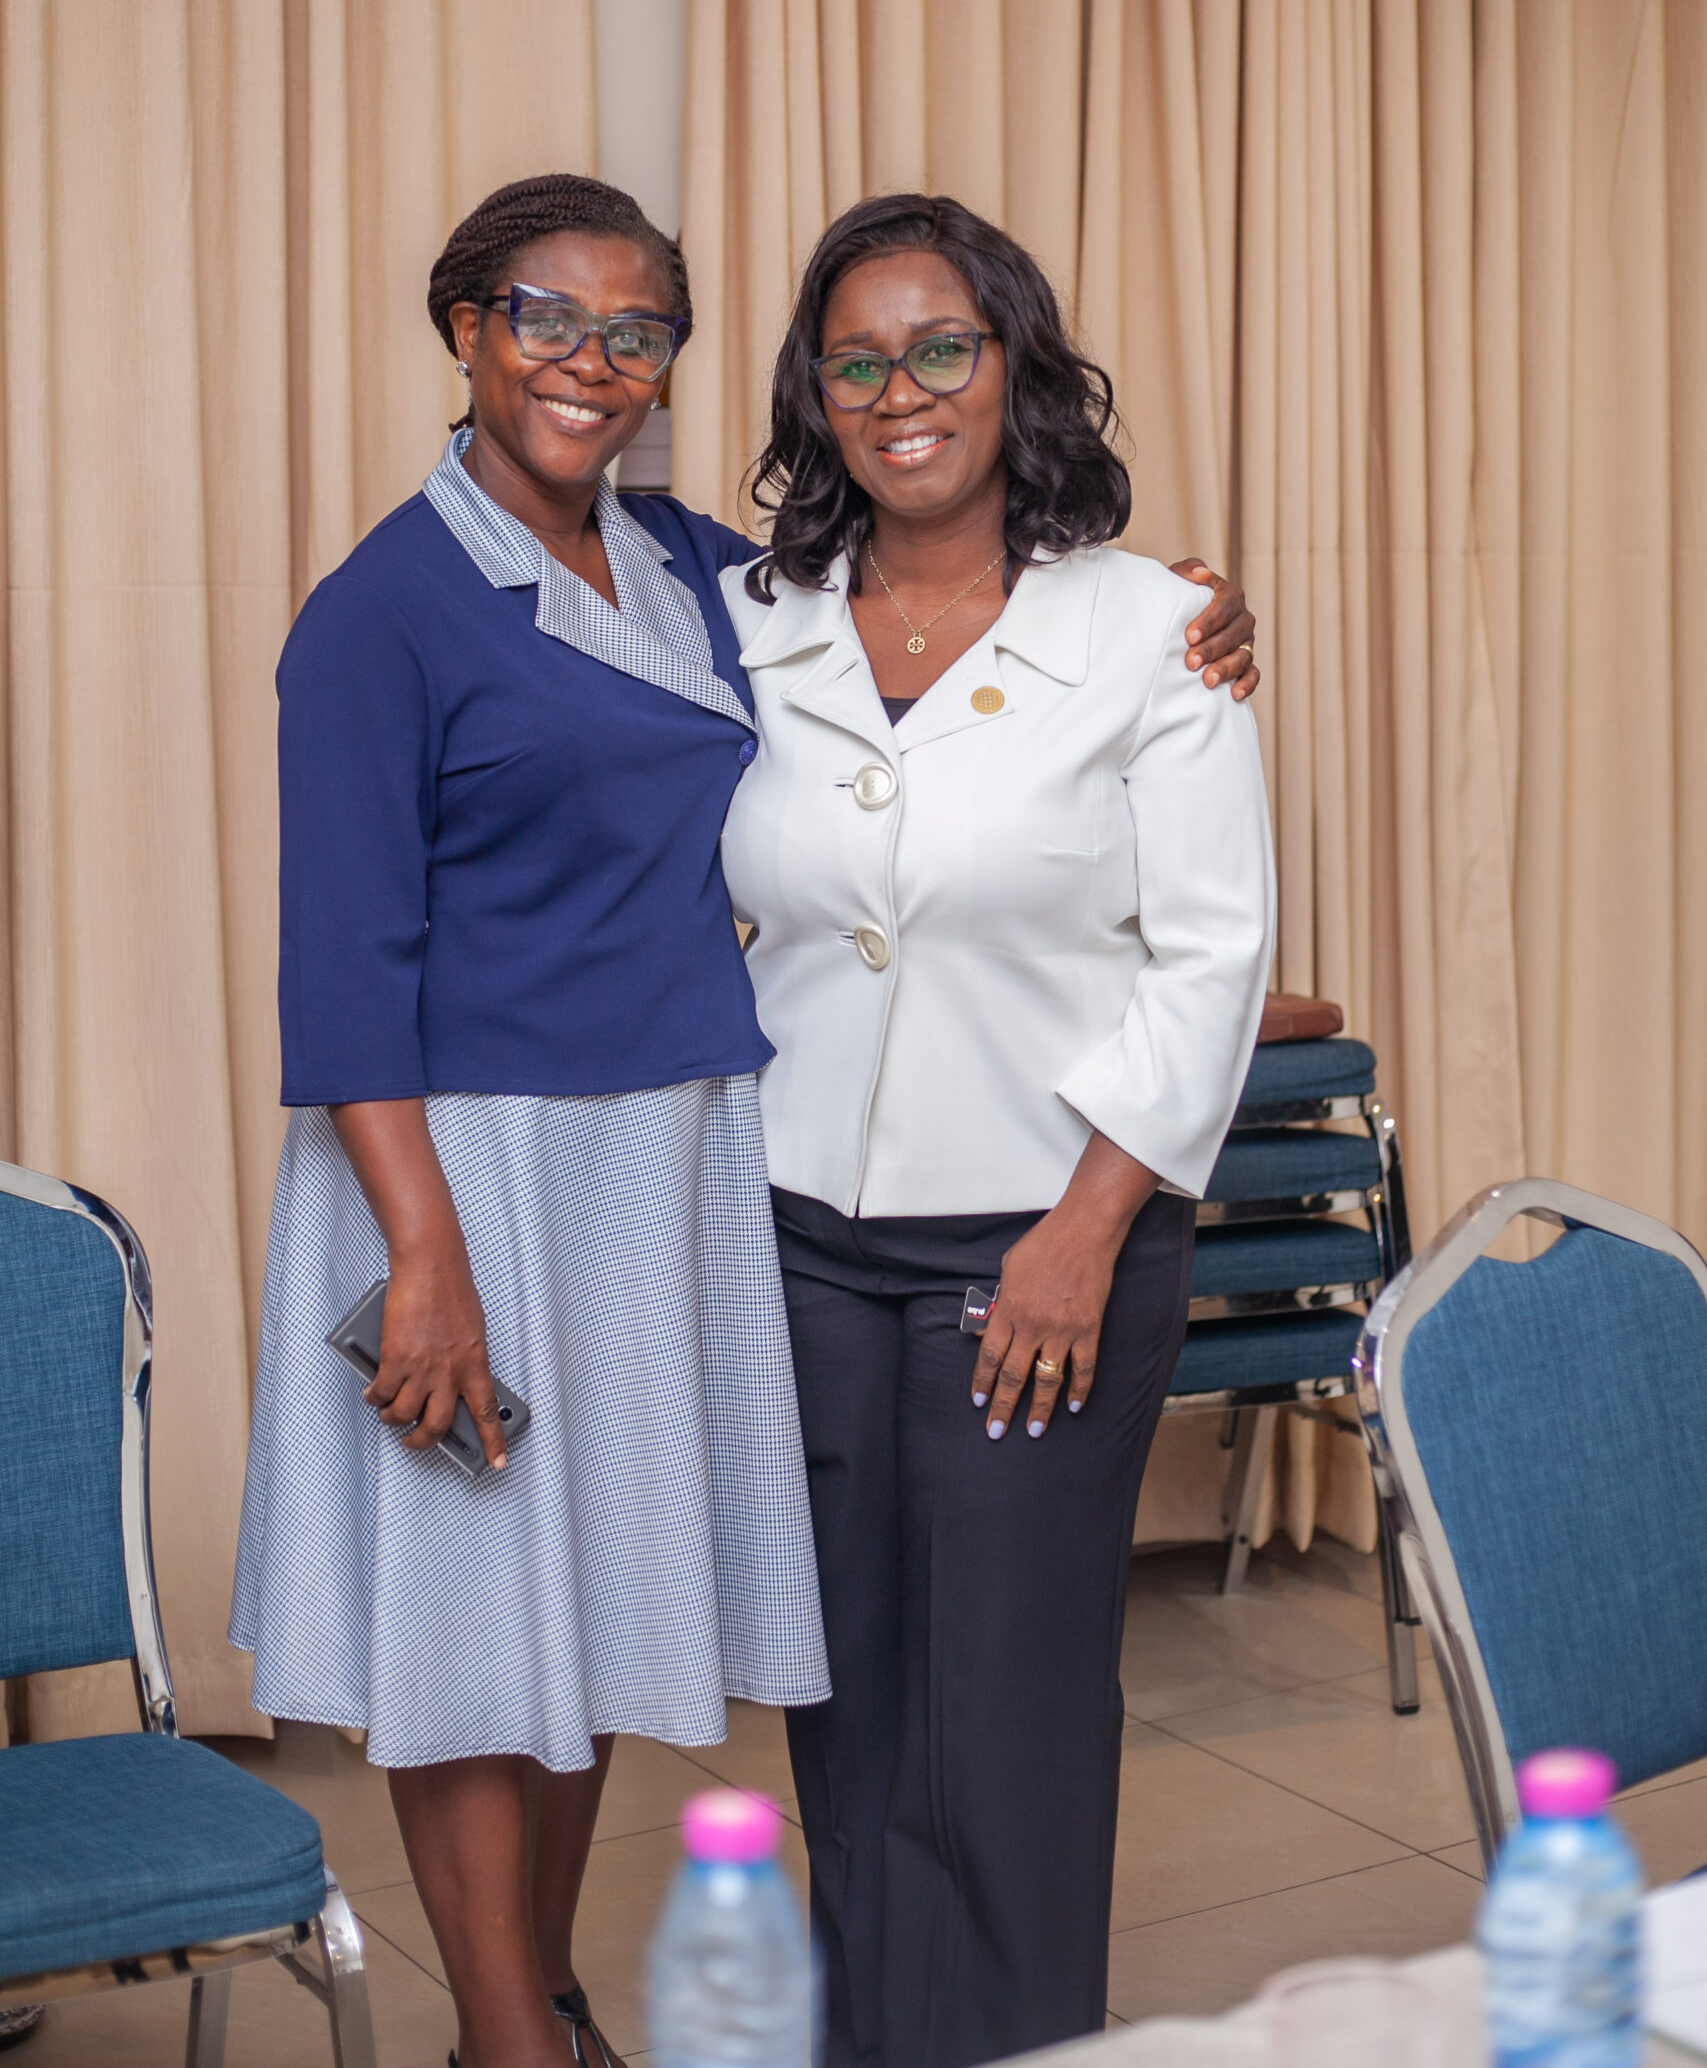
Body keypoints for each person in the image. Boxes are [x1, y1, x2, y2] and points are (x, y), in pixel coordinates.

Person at [229, 175, 833, 2068]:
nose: (591, 360)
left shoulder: (687, 567)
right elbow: (342, 968)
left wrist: (1164, 614)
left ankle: (544, 2003)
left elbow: (923, 601)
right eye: (546, 317)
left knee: (584, 1600)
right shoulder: (383, 612)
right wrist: (425, 1255)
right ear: (467, 330)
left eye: (635, 331)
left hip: (654, 1159)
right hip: (458, 1165)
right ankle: (506, 2039)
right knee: (476, 1620)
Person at [718, 192, 1276, 2068]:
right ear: (815, 394)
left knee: (1006, 1714)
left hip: (1043, 1243)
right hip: (802, 1238)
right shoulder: (748, 619)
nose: (902, 393)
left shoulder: (1155, 629)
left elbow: (1210, 955)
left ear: (1013, 359)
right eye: (857, 362)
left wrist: (1085, 1230)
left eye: (940, 348)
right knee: (848, 1704)